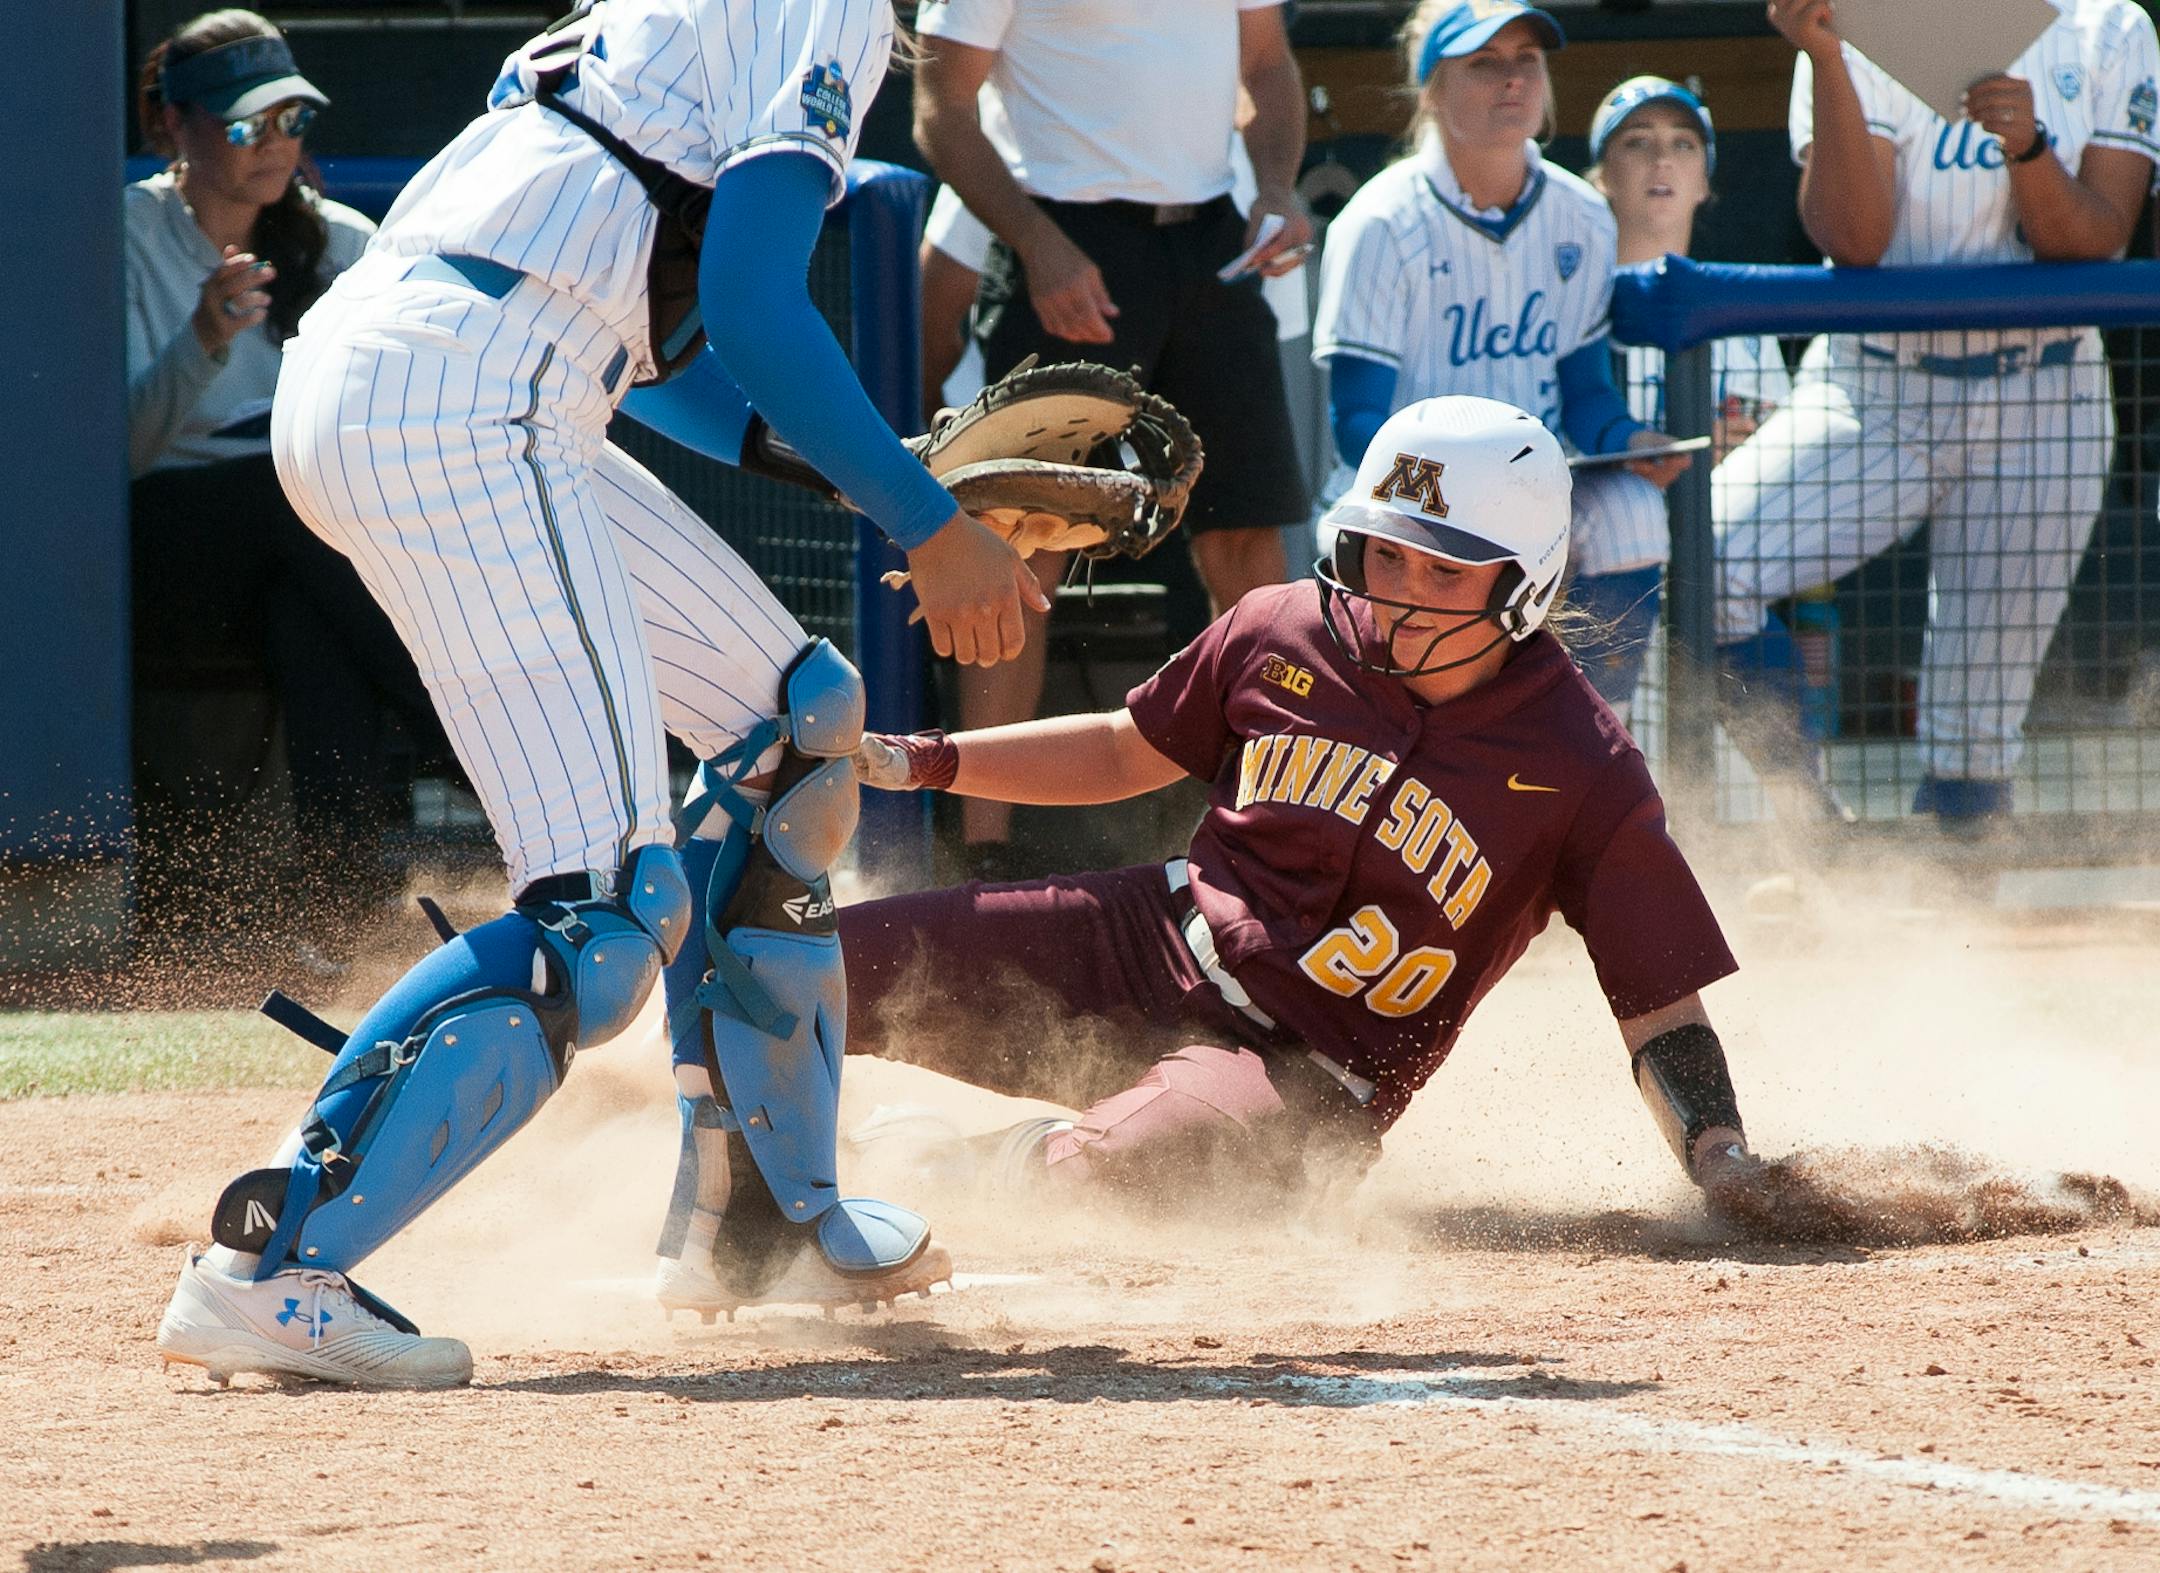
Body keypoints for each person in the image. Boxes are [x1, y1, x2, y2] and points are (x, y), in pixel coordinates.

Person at [156, 0, 1047, 1390]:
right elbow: (753, 309)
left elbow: (668, 351)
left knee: (797, 718)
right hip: (466, 398)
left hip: (466, 372)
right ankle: (276, 1262)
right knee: (608, 913)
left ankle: (757, 1221)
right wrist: (929, 521)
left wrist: (886, 472)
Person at [749, 396, 1760, 1219]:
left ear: (1524, 587)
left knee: (1096, 1183)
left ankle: (928, 1161)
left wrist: (1722, 1160)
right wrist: (917, 761)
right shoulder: (1285, 625)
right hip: (1146, 938)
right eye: (1386, 552)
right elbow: (1119, 748)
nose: (1401, 591)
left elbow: (1660, 1005)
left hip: (1301, 1078)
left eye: (1445, 570)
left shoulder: (1583, 764)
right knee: (806, 969)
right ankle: (666, 1135)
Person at [1717, 0, 2160, 833]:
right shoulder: (1861, 13)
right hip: (1881, 386)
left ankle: (1952, 944)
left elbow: (2099, 237)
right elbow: (1856, 238)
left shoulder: (2107, 25)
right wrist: (1826, 56)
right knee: (1708, 564)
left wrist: (2027, 148)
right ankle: (1810, 825)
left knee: (1973, 735)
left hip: (2043, 394)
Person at [912, 0, 1317, 876]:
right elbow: (939, 104)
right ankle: (985, 854)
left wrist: (1278, 187)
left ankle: (1274, 821)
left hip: (1212, 238)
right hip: (1065, 239)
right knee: (1022, 544)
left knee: (1249, 542)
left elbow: (1271, 66)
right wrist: (1036, 244)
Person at [128, 10, 438, 939]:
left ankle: (339, 909)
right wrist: (203, 341)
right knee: (287, 502)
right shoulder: (126, 234)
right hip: (167, 543)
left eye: (290, 119)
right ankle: (464, 734)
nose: (273, 145)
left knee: (309, 618)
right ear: (171, 126)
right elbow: (116, 454)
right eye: (242, 124)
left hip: (305, 537)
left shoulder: (341, 238)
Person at [1311, 0, 1695, 729]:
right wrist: (1454, 496)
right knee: (1347, 552)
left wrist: (1627, 440)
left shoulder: (1581, 213)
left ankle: (1593, 740)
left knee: (1634, 516)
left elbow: (1585, 392)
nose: (1512, 80)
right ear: (1433, 87)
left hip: (1534, 485)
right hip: (1406, 498)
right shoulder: (1381, 221)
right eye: (1484, 63)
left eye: (1527, 61)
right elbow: (1354, 422)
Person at [1587, 76, 1794, 467]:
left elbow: (1777, 460)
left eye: (1683, 143)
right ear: (1602, 177)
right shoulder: (1573, 303)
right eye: (1638, 142)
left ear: (1704, 182)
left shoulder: (1743, 311)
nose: (1662, 160)